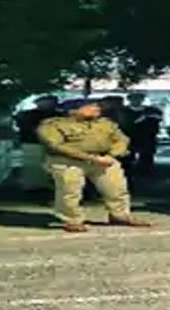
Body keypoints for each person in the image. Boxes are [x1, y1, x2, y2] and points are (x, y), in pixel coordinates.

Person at [36, 100, 152, 233]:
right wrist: (91, 158)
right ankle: (72, 220)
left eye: (96, 106)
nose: (96, 108)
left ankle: (120, 215)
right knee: (69, 191)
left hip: (105, 159)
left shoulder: (105, 123)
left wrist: (112, 154)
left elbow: (121, 139)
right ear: (73, 110)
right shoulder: (53, 125)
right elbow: (56, 146)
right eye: (90, 106)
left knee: (116, 188)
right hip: (68, 161)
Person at [14, 95, 61, 189]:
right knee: (34, 164)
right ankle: (35, 184)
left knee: (49, 165)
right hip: (34, 142)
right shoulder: (27, 115)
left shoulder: (59, 115)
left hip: (48, 143)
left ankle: (40, 184)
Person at [121, 92, 163, 180]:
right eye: (134, 98)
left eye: (139, 98)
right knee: (127, 159)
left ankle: (145, 176)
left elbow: (157, 119)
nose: (136, 101)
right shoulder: (123, 111)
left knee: (146, 158)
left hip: (147, 139)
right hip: (129, 138)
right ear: (129, 100)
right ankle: (128, 176)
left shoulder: (152, 110)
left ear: (143, 100)